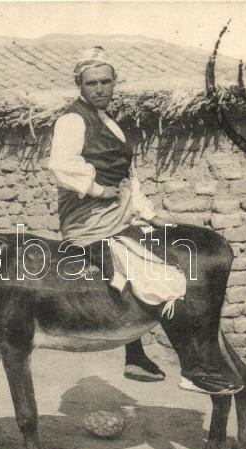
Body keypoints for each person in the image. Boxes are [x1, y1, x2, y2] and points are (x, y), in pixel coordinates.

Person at [47, 46, 169, 383]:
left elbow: (128, 176)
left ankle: (136, 352)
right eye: (91, 84)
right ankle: (130, 349)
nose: (99, 89)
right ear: (80, 86)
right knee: (123, 265)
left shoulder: (111, 123)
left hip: (120, 210)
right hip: (87, 217)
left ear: (115, 83)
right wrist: (100, 191)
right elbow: (61, 167)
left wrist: (149, 213)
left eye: (105, 82)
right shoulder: (72, 120)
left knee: (159, 253)